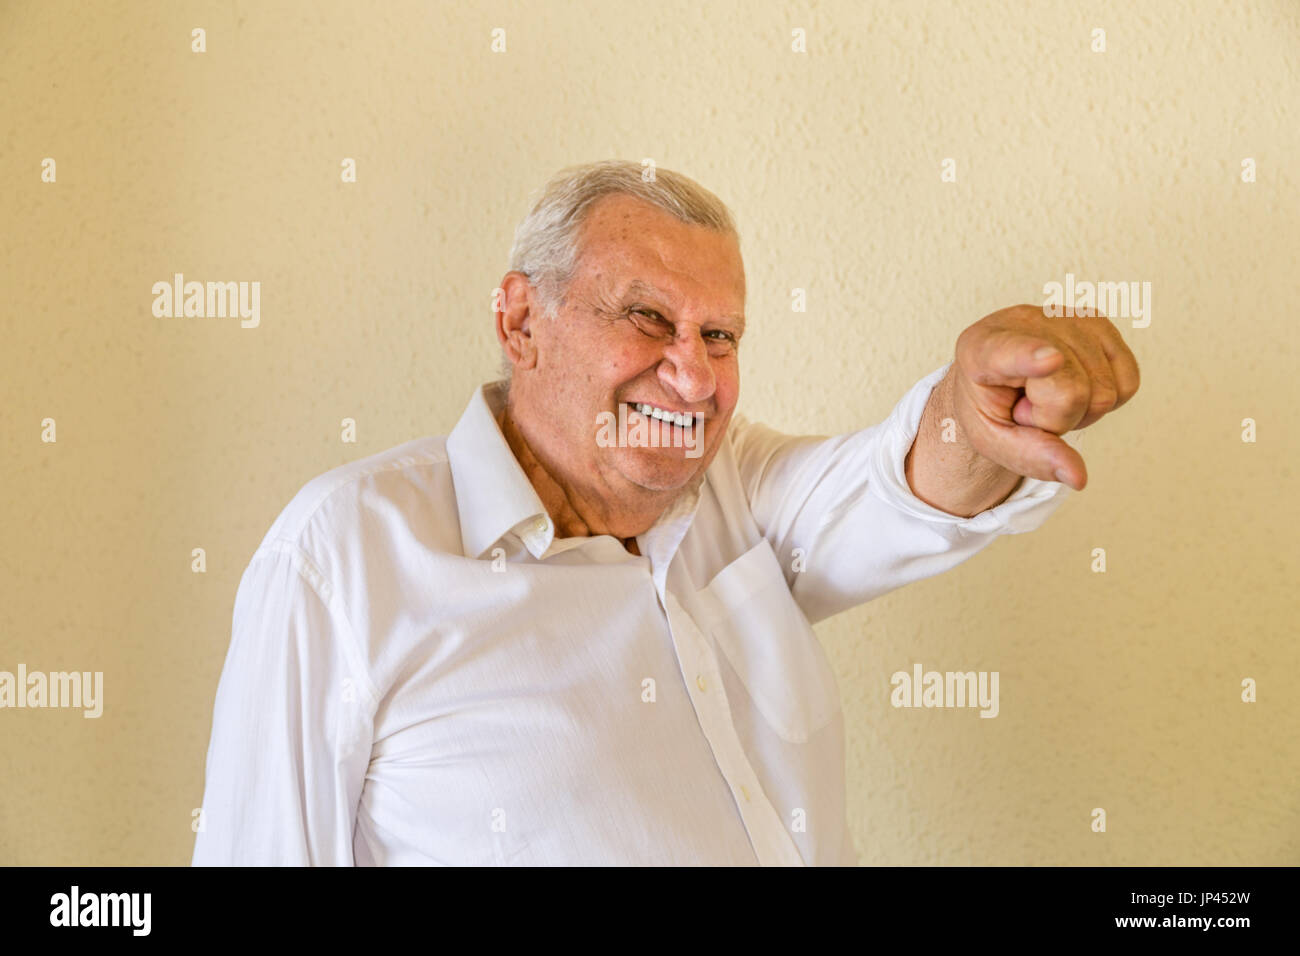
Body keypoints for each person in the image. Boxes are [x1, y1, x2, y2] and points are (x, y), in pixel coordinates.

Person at [192, 160, 1139, 865]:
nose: (693, 375)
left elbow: (896, 487)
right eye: (648, 319)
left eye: (719, 334)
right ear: (522, 322)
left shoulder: (736, 490)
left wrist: (971, 417)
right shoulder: (344, 555)